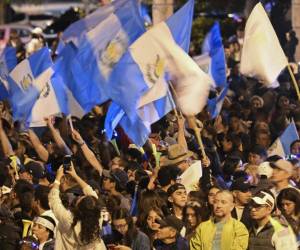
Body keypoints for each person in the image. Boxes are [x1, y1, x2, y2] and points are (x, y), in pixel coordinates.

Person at [48, 164, 106, 249]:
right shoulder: (98, 219)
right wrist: (75, 175)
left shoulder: (68, 219)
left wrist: (58, 178)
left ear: (78, 209)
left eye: (80, 198)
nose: (80, 196)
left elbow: (54, 200)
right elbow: (92, 194)